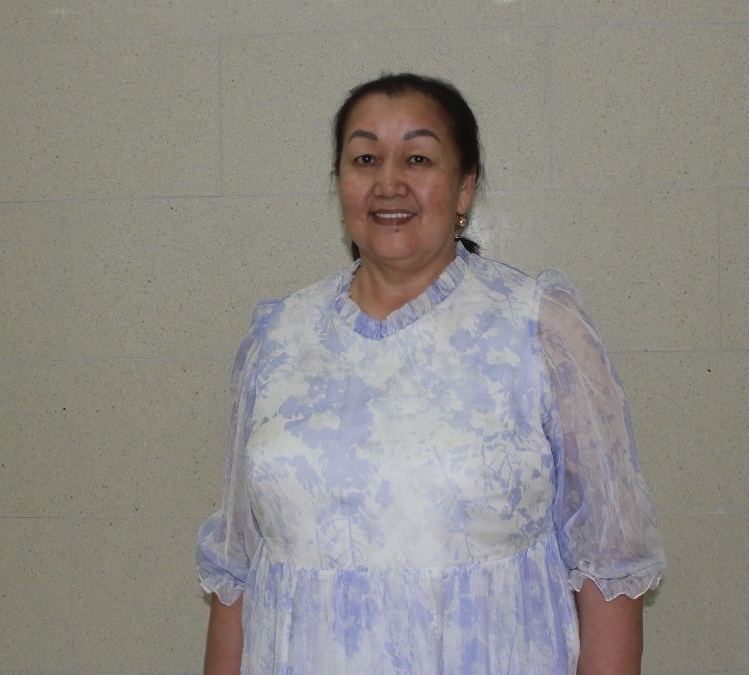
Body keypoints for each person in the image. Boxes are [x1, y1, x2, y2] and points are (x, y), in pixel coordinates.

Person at [198, 73, 665, 675]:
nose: (388, 182)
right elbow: (236, 573)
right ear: (340, 184)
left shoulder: (541, 330)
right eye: (365, 159)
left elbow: (610, 567)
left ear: (464, 187)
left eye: (417, 158)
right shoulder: (277, 339)